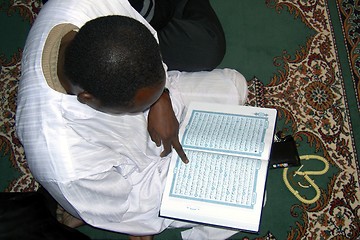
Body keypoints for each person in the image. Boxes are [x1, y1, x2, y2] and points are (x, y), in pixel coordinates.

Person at [16, 0, 248, 239]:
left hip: (139, 99)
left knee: (234, 85)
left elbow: (149, 51)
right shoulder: (66, 162)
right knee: (243, 194)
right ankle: (92, 210)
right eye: (139, 106)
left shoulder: (88, 4)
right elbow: (129, 205)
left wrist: (161, 99)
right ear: (88, 99)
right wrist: (136, 219)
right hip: (127, 181)